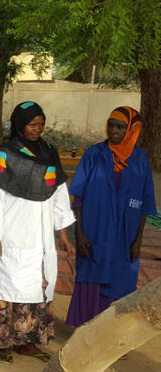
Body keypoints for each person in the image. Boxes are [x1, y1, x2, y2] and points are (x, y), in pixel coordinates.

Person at [0, 101, 74, 363]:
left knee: (36, 286)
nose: (37, 129)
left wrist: (63, 233)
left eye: (41, 124)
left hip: (40, 234)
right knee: (6, 284)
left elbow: (59, 193)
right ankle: (2, 343)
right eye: (33, 124)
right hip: (11, 231)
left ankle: (28, 342)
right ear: (20, 125)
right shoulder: (4, 155)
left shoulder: (49, 153)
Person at [66, 107, 155, 326]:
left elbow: (144, 204)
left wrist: (138, 241)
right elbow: (78, 197)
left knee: (121, 281)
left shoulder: (141, 160)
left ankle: (110, 337)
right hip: (95, 230)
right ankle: (84, 331)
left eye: (120, 126)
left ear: (133, 130)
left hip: (126, 235)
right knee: (92, 276)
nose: (113, 130)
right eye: (111, 125)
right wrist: (80, 232)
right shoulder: (94, 155)